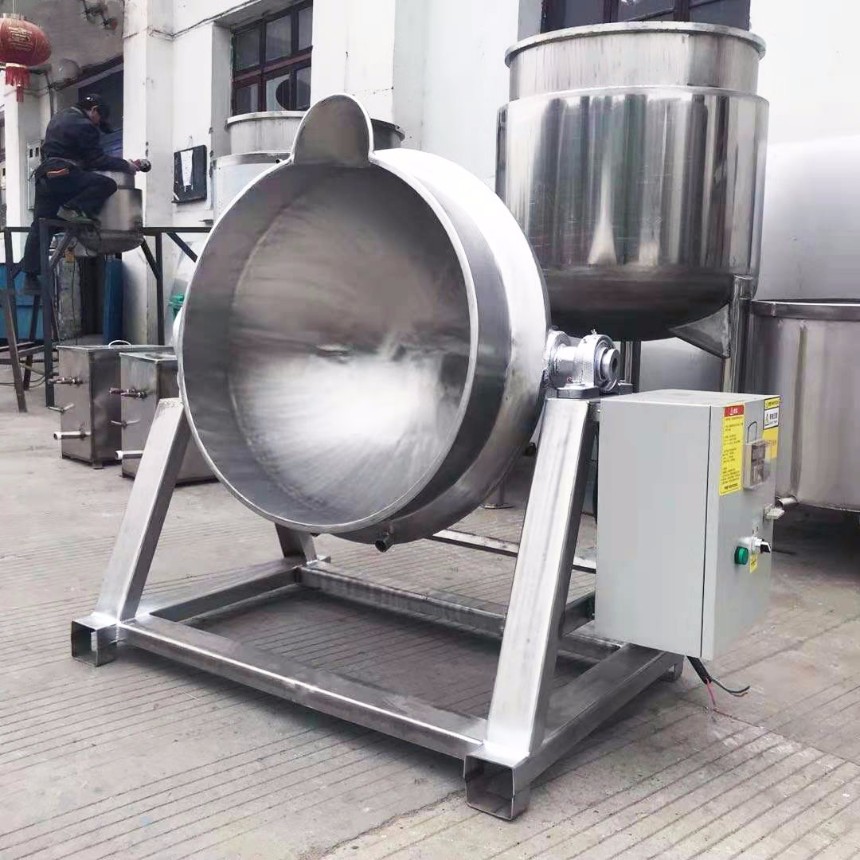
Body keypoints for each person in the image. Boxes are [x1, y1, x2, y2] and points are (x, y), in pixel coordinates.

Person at [21, 94, 146, 294]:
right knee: (106, 184)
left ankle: (30, 278)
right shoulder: (85, 125)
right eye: (99, 120)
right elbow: (96, 160)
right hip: (65, 173)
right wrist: (126, 165)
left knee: (41, 226)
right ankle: (72, 209)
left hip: (46, 176)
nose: (98, 125)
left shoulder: (59, 117)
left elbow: (76, 155)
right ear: (94, 110)